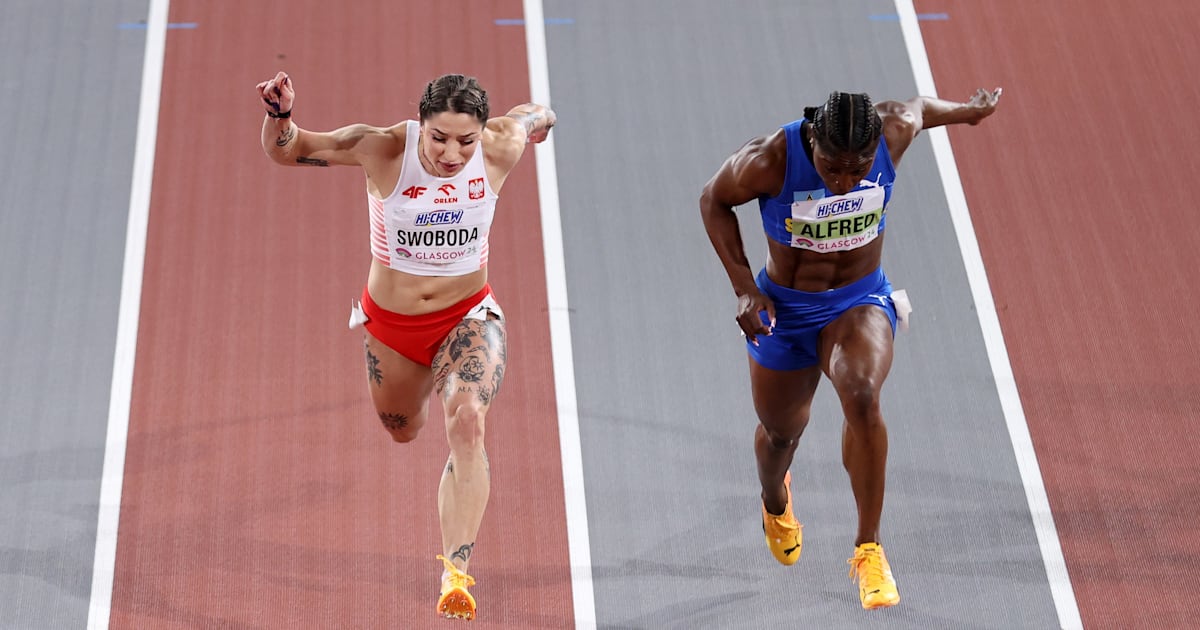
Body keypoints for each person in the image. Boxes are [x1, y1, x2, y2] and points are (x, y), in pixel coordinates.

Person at [256, 70, 555, 621]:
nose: (451, 153)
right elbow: (291, 151)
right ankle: (410, 413)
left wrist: (539, 119)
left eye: (466, 140)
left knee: (467, 420)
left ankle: (456, 573)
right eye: (439, 137)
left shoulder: (500, 148)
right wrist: (281, 116)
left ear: (483, 134)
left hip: (468, 315)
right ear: (420, 125)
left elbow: (530, 114)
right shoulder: (384, 148)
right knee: (402, 429)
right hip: (391, 328)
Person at [699, 88, 1001, 609]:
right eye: (832, 169)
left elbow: (922, 108)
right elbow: (713, 199)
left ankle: (869, 549)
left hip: (859, 300)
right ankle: (775, 501)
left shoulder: (894, 128)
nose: (844, 181)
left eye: (858, 169)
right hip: (787, 312)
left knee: (861, 394)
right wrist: (745, 288)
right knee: (780, 433)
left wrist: (968, 114)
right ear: (812, 139)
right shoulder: (771, 159)